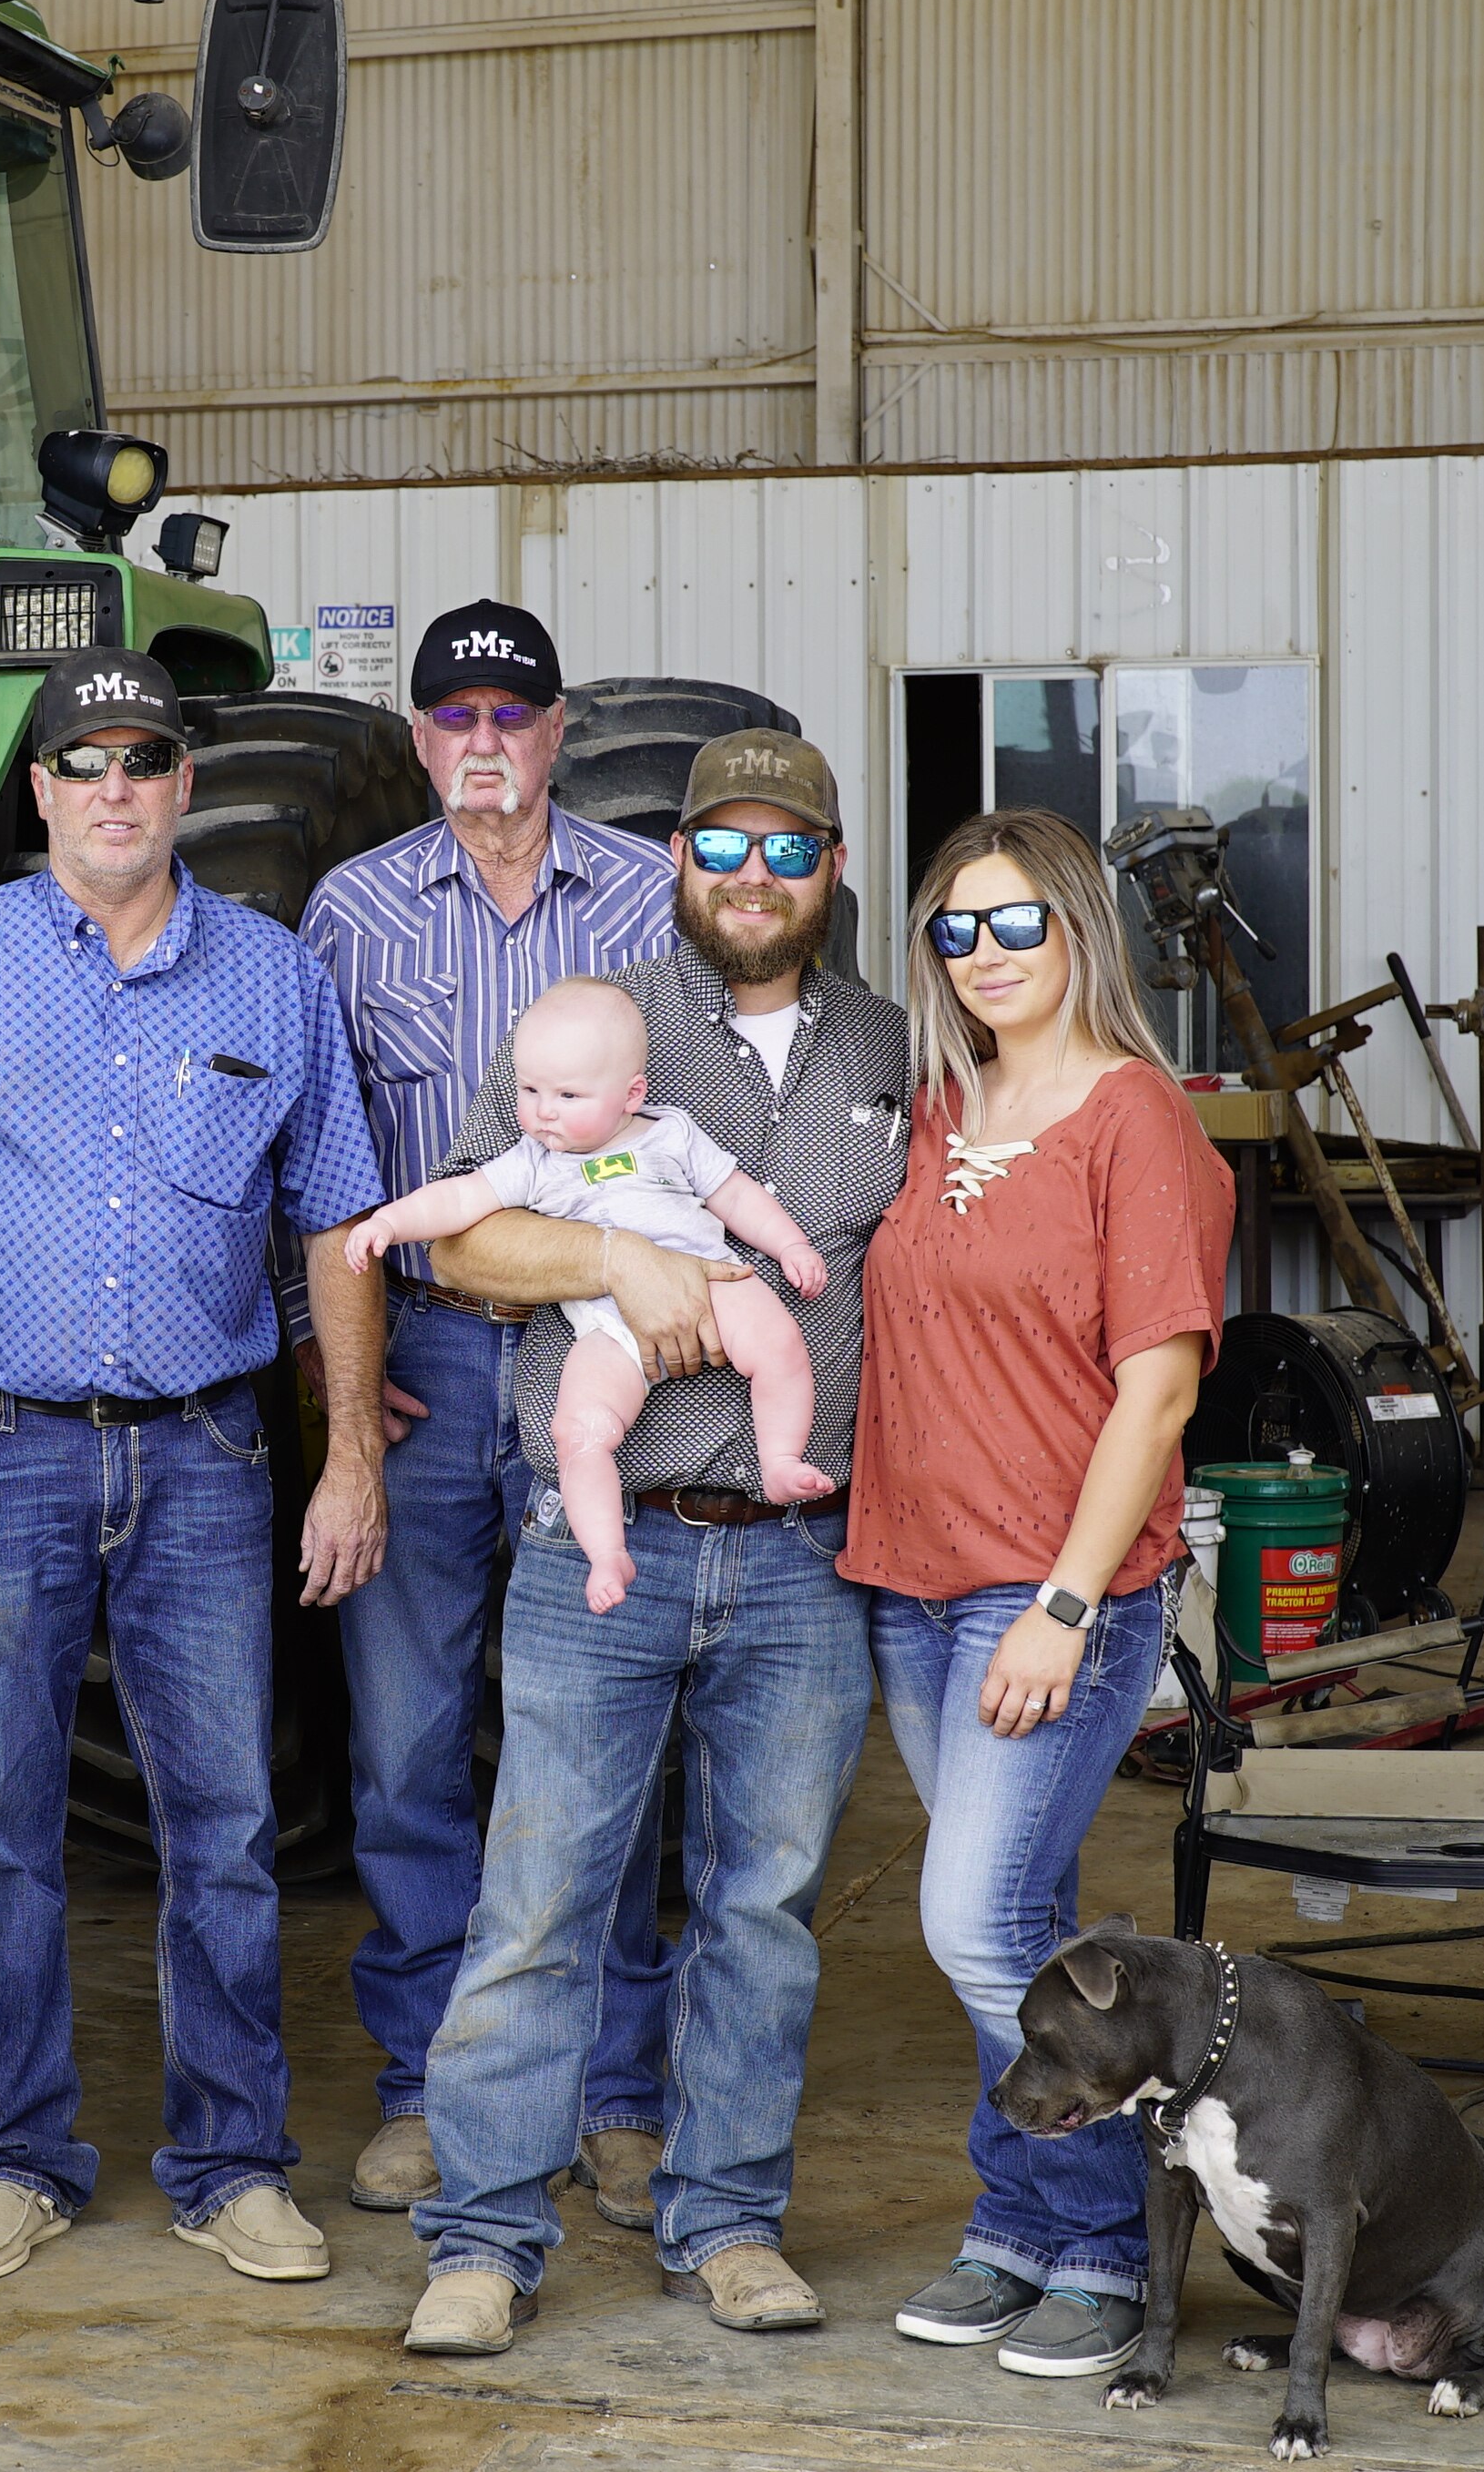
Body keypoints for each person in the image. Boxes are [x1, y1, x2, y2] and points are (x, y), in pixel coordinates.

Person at [0, 646, 392, 2292]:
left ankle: (231, 2159)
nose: (114, 783)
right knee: (0, 1828)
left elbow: (335, 1226)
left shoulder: (271, 978)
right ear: (43, 790)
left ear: (185, 784)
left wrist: (350, 1455)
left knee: (225, 1823)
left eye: (144, 754)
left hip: (206, 1455)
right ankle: (15, 2154)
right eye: (83, 759)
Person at [397, 728, 910, 2357]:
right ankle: (482, 2234)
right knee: (539, 1899)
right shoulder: (597, 1024)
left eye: (788, 847)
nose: (751, 876)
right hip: (599, 1541)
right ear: (675, 856)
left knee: (761, 1910)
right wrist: (620, 1255)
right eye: (721, 844)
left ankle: (731, 2219)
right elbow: (463, 1241)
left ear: (834, 867)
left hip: (800, 1561)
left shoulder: (897, 1042)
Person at [287, 599, 680, 2225]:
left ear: (559, 727)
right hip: (432, 1363)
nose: (483, 745)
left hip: (610, 1356)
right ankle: (433, 2087)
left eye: (511, 716)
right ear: (419, 736)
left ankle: (614, 2087)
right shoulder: (351, 913)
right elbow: (318, 1168)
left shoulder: (655, 899)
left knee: (607, 1729)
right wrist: (334, 1382)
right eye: (451, 717)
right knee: (406, 1742)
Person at [843, 808, 1234, 2381]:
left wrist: (1065, 1608)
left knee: (975, 1921)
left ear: (1082, 931)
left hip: (1049, 1592)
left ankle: (1107, 2243)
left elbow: (1157, 1396)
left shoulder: (1140, 1120)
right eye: (957, 927)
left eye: (1019, 924)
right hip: (912, 1582)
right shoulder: (940, 1110)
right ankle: (1022, 2231)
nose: (987, 955)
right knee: (1022, 1924)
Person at [341, 975, 833, 1612]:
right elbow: (460, 1199)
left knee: (780, 1344)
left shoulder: (670, 1134)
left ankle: (780, 1457)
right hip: (606, 1329)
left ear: (632, 1094)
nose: (544, 1111)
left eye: (568, 1094)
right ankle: (606, 1553)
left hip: (710, 1281)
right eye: (529, 1091)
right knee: (580, 1433)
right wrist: (388, 1222)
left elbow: (736, 1195)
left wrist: (790, 1246)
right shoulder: (534, 1160)